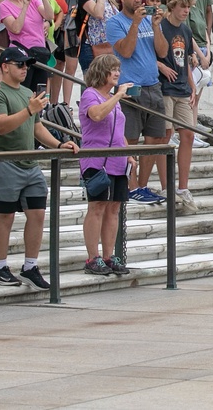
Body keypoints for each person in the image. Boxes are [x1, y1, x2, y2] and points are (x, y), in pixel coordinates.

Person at [0, 46, 78, 290]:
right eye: (20, 65)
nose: (25, 69)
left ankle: (30, 266)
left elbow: (37, 127)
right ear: (5, 66)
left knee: (37, 213)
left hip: (29, 164)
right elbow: (1, 126)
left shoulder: (27, 92)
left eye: (27, 65)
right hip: (4, 160)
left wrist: (59, 143)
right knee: (4, 216)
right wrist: (29, 110)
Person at [106, 0, 169, 204]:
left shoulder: (147, 21)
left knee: (156, 138)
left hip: (153, 85)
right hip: (130, 88)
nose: (137, 0)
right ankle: (130, 186)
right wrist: (134, 24)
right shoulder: (115, 22)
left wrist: (156, 26)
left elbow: (162, 51)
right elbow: (126, 50)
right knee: (130, 139)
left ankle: (141, 185)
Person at [79, 54, 134, 276]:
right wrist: (118, 96)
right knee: (98, 206)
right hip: (97, 159)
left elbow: (118, 129)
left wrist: (128, 152)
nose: (117, 73)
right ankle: (93, 257)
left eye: (118, 69)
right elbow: (97, 115)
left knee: (114, 208)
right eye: (113, 69)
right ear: (102, 72)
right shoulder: (90, 95)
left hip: (117, 160)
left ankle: (109, 255)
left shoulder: (113, 97)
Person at [157, 0, 200, 212]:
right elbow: (148, 53)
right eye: (182, 7)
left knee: (188, 135)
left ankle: (183, 187)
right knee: (165, 136)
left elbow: (186, 62)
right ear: (172, 6)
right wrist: (160, 65)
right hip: (165, 87)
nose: (185, 11)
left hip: (182, 86)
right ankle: (166, 187)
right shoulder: (161, 26)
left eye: (188, 8)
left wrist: (192, 85)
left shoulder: (186, 29)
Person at [0, 0, 53, 91]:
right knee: (23, 90)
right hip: (22, 55)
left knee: (40, 91)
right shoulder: (4, 6)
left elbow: (49, 15)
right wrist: (24, 7)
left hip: (39, 53)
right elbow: (16, 28)